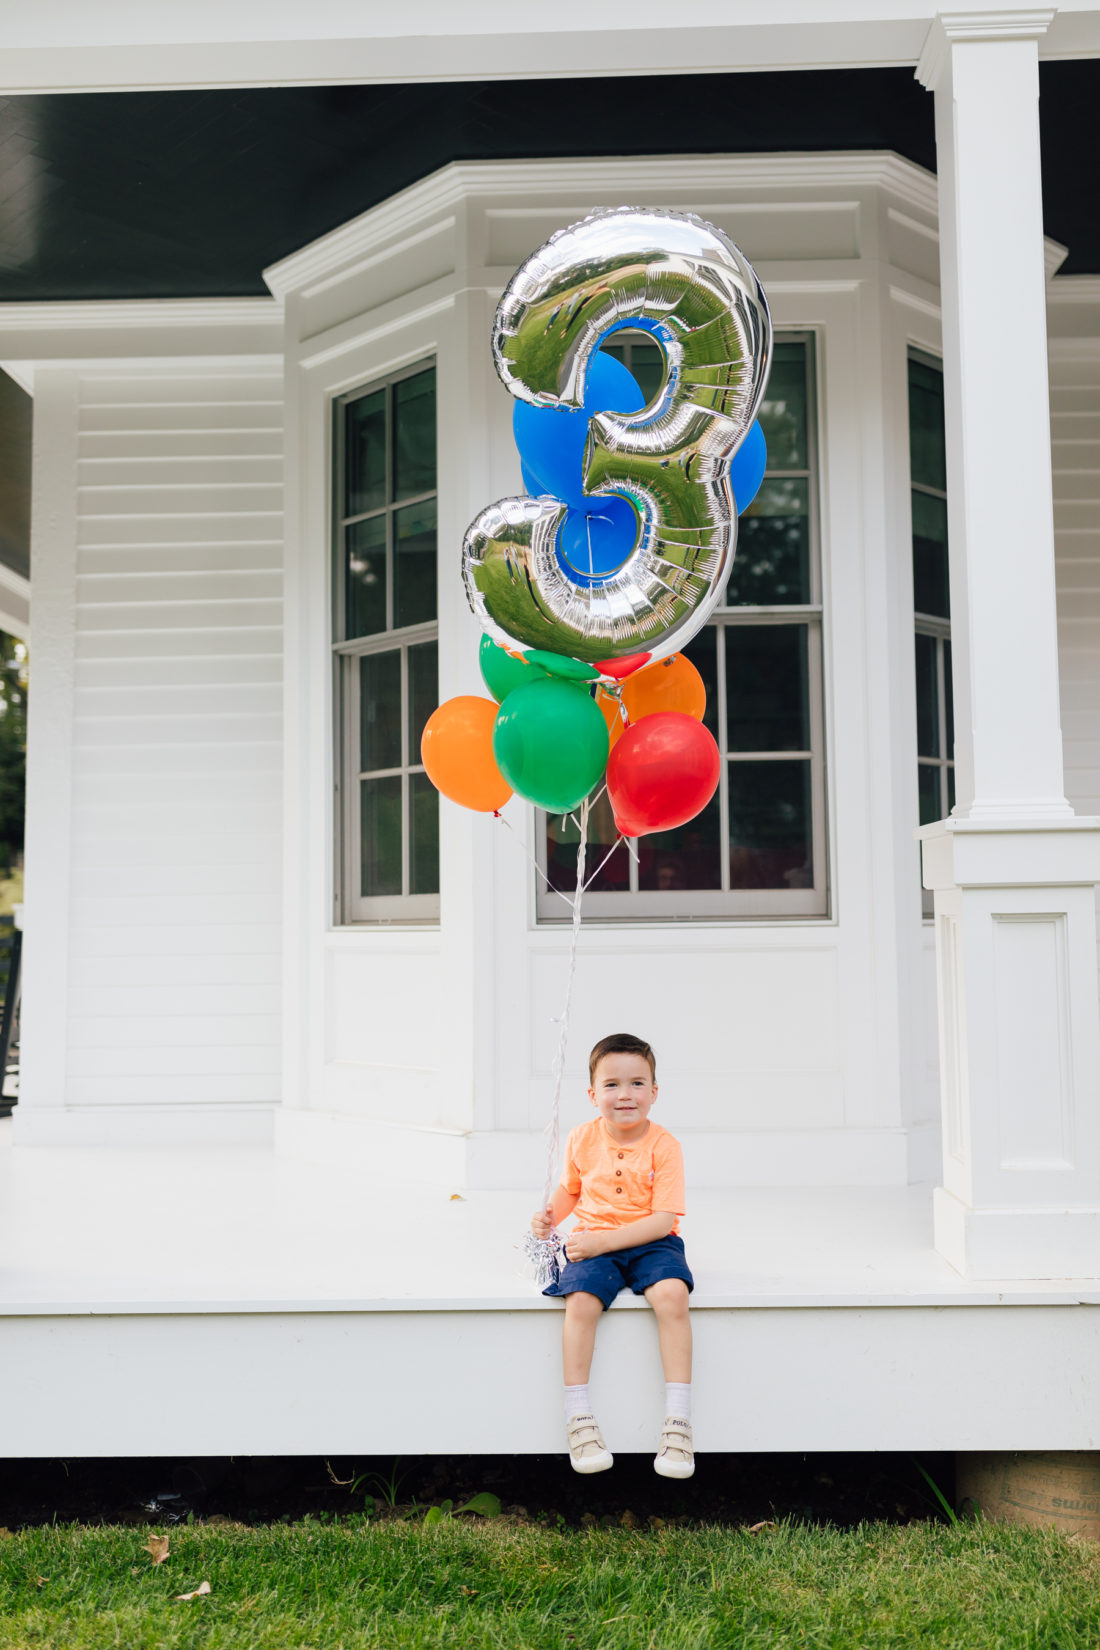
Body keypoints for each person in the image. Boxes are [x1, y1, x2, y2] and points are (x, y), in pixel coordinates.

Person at [530, 1031, 694, 1479]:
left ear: (655, 1092)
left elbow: (662, 1220)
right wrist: (551, 1216)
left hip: (650, 1241)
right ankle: (578, 1416)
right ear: (592, 1094)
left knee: (672, 1297)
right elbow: (571, 1188)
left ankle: (678, 1421)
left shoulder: (665, 1146)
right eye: (612, 1084)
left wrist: (603, 1242)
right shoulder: (582, 1139)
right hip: (594, 1235)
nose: (625, 1094)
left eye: (638, 1083)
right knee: (580, 1301)